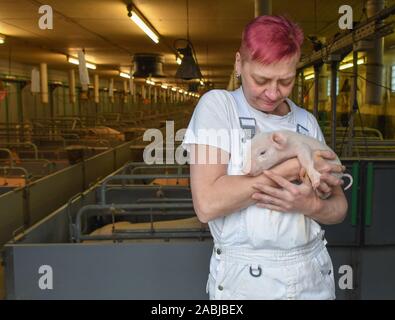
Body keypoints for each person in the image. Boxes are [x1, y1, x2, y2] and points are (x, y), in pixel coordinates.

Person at [182, 15, 348, 300]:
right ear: (238, 64)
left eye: (286, 81)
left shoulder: (305, 122)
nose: (273, 93)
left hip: (311, 274)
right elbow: (208, 204)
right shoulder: (219, 107)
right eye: (261, 79)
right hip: (245, 280)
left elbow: (339, 208)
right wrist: (295, 165)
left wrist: (309, 204)